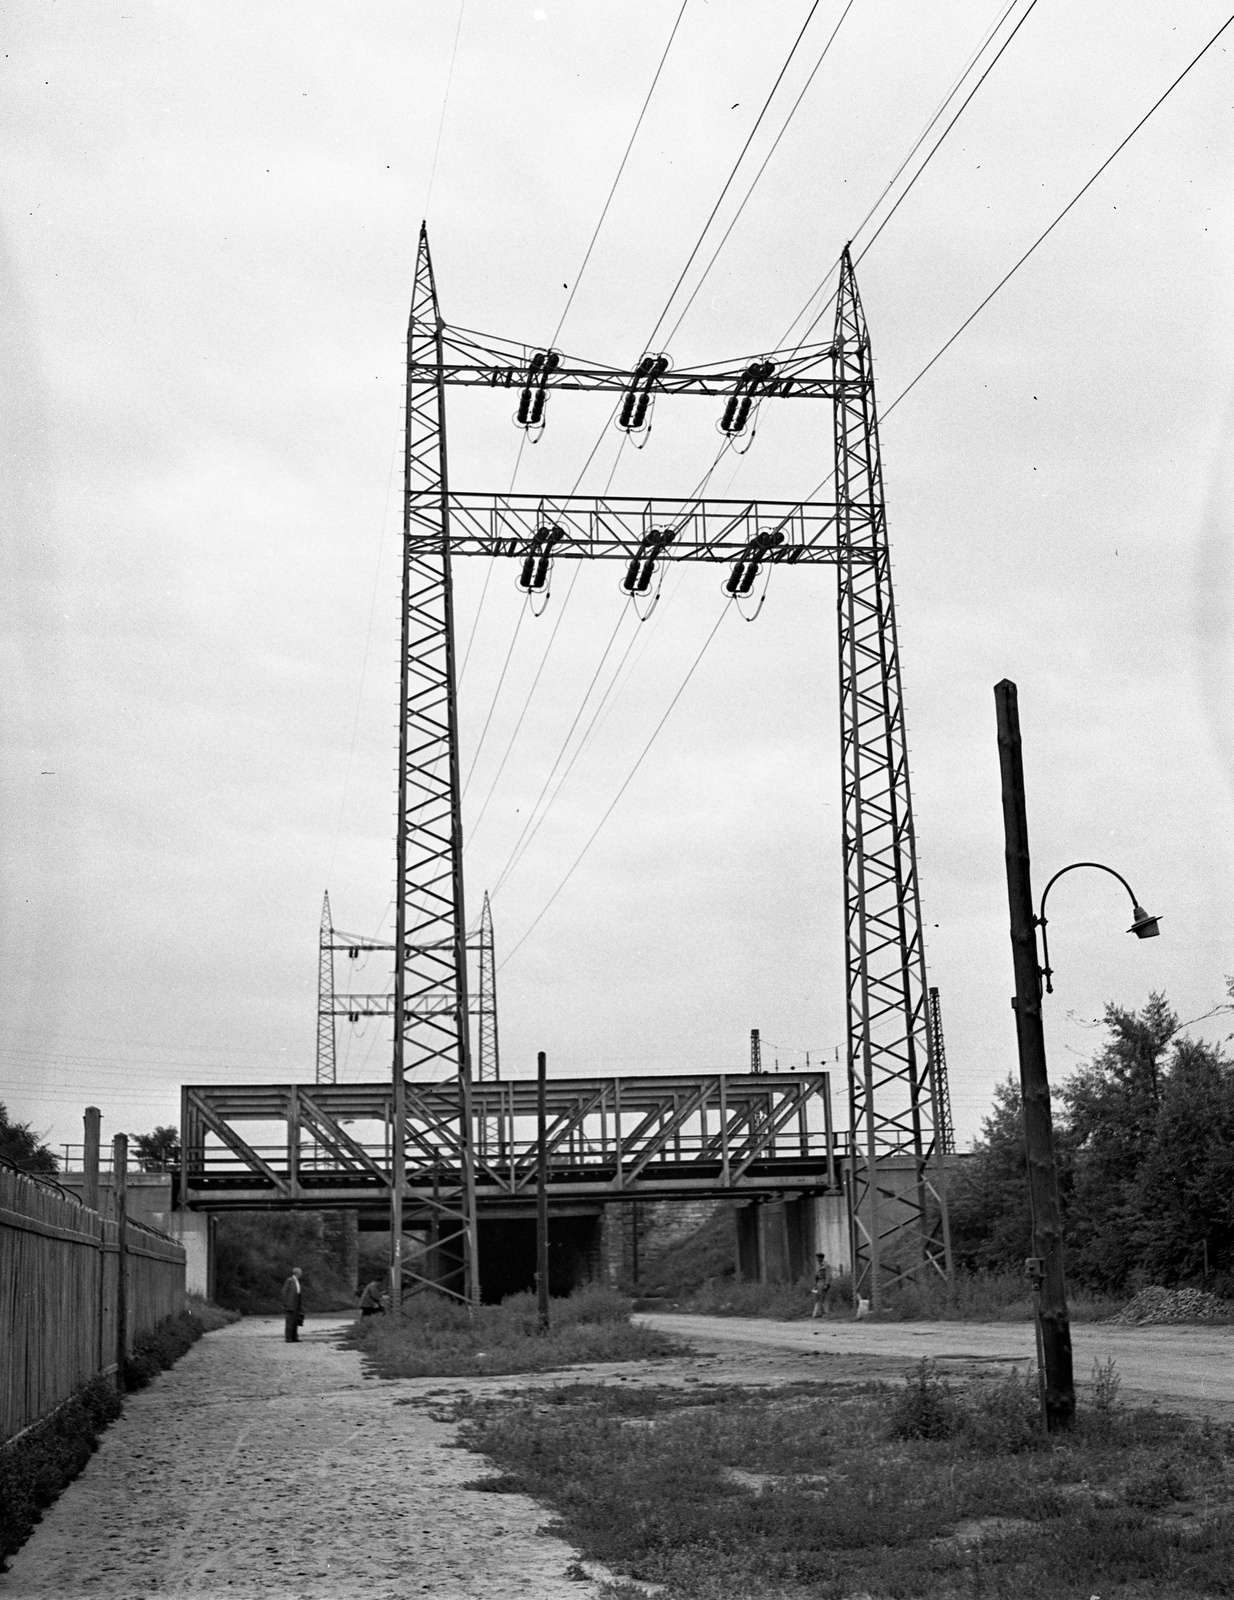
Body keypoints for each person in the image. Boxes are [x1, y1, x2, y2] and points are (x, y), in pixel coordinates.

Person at [282, 1266, 304, 1342]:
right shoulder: (289, 1280)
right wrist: (285, 1303)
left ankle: (294, 1337)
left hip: (296, 1303)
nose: (301, 1274)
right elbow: (284, 1292)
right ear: (296, 1273)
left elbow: (298, 1294)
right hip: (291, 1303)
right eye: (300, 1272)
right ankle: (288, 1337)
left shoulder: (297, 1281)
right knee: (290, 1321)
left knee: (295, 1321)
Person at [810, 1252, 832, 1319]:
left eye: (818, 1257)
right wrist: (815, 1285)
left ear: (821, 1258)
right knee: (818, 1298)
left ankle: (826, 1312)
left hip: (823, 1281)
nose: (817, 1259)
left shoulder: (826, 1265)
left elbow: (828, 1275)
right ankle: (818, 1313)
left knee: (824, 1298)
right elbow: (816, 1276)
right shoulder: (819, 1266)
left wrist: (827, 1284)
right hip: (818, 1282)